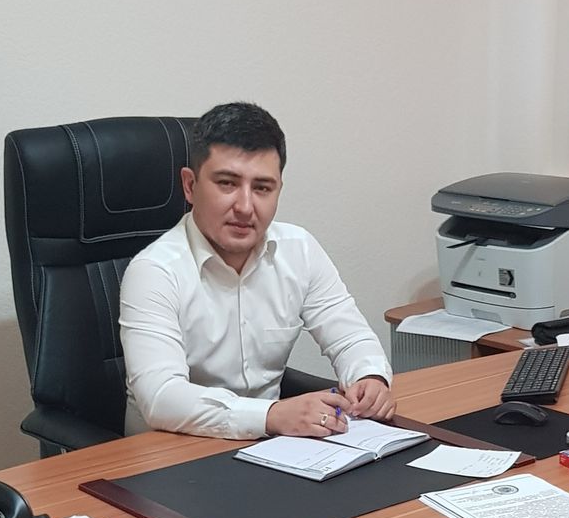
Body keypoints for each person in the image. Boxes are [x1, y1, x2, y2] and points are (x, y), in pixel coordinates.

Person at [119, 102, 394, 440]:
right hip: (169, 453)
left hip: (268, 448)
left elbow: (351, 338)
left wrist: (370, 377)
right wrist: (270, 415)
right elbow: (161, 397)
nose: (245, 207)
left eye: (262, 187)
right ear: (190, 186)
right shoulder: (154, 271)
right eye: (227, 183)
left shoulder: (299, 249)